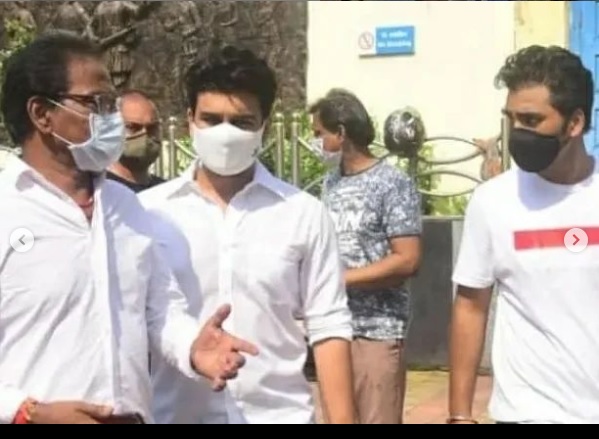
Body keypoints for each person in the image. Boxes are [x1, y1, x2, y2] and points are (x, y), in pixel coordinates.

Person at [0, 31, 257, 425]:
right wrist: (28, 412)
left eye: (112, 104)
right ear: (42, 114)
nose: (112, 119)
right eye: (96, 103)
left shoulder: (126, 207)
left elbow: (160, 309)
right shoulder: (7, 209)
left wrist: (192, 348)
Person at [140, 46, 356, 425]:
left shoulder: (303, 214)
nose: (225, 134)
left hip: (278, 416)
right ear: (190, 121)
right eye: (211, 119)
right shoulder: (149, 214)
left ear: (264, 126)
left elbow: (329, 327)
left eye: (241, 122)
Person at [449, 45, 599, 425]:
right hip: (526, 413)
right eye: (511, 119)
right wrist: (460, 414)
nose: (518, 133)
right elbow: (470, 307)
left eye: (531, 120)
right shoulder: (493, 202)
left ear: (575, 123)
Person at [309, 89, 422, 424]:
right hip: (334, 329)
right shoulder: (331, 183)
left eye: (319, 133)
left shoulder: (392, 183)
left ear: (341, 133)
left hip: (376, 331)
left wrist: (340, 279)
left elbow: (407, 259)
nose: (315, 142)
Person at [107, 89, 165, 192]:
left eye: (152, 128)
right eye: (133, 127)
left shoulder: (165, 191)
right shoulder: (99, 191)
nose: (144, 134)